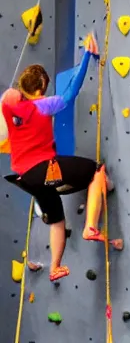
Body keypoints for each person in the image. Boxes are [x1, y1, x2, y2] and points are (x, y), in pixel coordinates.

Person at [0, 32, 115, 282]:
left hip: (25, 178)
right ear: (41, 88)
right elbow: (71, 92)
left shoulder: (9, 106)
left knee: (56, 220)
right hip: (43, 168)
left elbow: (9, 96)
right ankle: (90, 226)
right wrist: (87, 57)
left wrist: (17, 94)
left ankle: (55, 267)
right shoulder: (44, 105)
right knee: (96, 171)